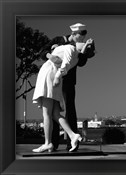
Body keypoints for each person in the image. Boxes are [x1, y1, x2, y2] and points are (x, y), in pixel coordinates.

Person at [39, 23, 96, 152]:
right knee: (53, 110)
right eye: (79, 38)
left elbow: (81, 63)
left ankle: (72, 144)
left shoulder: (79, 46)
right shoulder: (58, 40)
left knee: (70, 110)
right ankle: (52, 143)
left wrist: (86, 50)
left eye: (82, 38)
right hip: (53, 80)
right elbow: (42, 52)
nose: (80, 40)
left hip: (69, 82)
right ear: (73, 34)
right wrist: (51, 56)